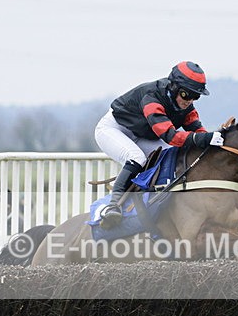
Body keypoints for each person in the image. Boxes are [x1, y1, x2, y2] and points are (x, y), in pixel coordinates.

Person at [93, 61, 224, 229]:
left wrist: (216, 140)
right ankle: (113, 205)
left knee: (171, 155)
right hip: (114, 129)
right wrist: (205, 139)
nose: (189, 100)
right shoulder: (152, 97)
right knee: (136, 157)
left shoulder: (187, 106)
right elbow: (170, 136)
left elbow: (198, 131)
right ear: (174, 87)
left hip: (142, 133)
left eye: (195, 96)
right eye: (186, 94)